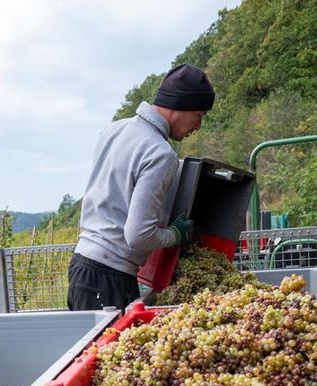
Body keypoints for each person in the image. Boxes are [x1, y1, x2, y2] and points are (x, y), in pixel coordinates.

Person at [68, 63, 213, 311]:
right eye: (199, 116)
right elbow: (138, 236)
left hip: (81, 267)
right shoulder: (159, 152)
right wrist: (175, 235)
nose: (198, 126)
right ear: (183, 105)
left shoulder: (114, 130)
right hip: (109, 278)